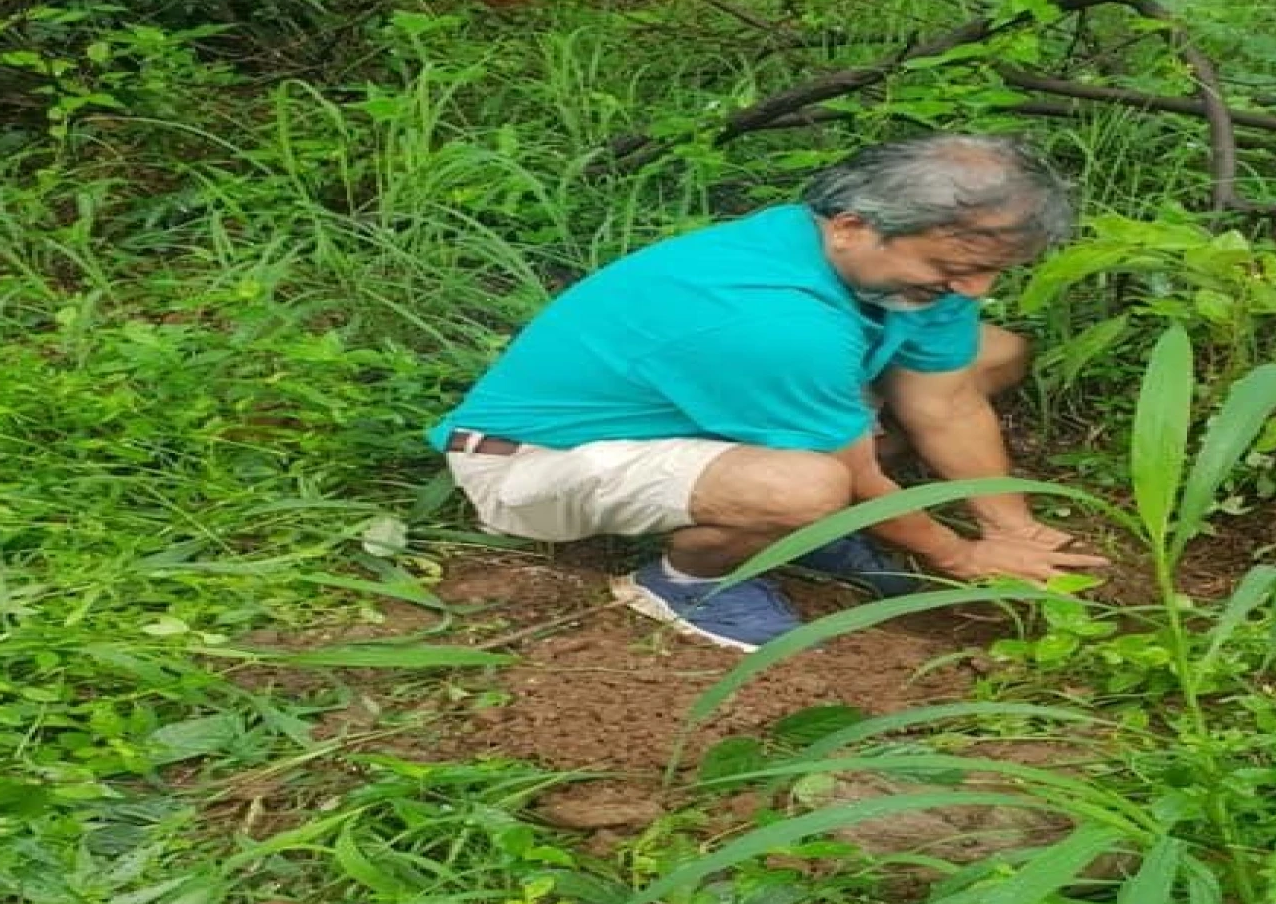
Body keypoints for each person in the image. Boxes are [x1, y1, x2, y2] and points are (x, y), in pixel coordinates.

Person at [427, 133, 1108, 651]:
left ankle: (796, 530)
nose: (976, 289)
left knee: (995, 353)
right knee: (809, 488)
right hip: (534, 462)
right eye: (956, 269)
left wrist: (1011, 526)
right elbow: (853, 472)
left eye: (989, 272)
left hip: (695, 422)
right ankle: (685, 583)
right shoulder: (774, 320)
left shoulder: (908, 266)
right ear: (851, 226)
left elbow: (947, 402)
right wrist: (959, 556)